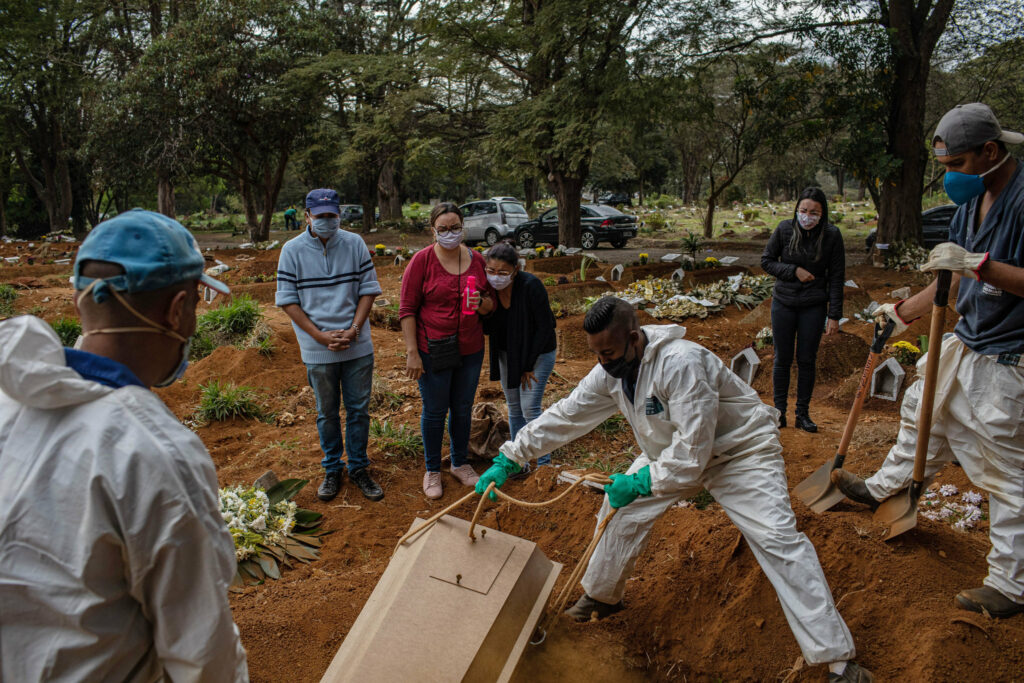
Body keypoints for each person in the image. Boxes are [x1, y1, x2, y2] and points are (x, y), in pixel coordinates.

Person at [476, 298, 873, 682]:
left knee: (776, 538)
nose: (602, 362)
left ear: (634, 338)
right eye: (597, 353)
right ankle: (602, 597)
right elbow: (568, 414)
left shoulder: (681, 362)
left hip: (740, 454)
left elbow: (694, 451)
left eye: (609, 352)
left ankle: (840, 662)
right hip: (671, 452)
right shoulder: (611, 370)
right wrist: (510, 457)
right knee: (618, 514)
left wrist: (642, 481)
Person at [0, 210, 248, 681]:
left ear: (80, 301)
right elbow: (202, 656)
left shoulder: (6, 398)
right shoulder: (152, 452)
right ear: (176, 311)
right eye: (195, 306)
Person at [831, 102, 1024, 619]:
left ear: (990, 151)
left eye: (956, 164)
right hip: (968, 337)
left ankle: (1011, 582)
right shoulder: (971, 202)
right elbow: (953, 278)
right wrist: (900, 314)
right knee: (922, 412)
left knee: (1004, 466)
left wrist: (981, 266)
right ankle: (883, 489)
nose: (949, 178)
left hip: (1011, 354)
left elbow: (975, 270)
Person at [276, 188, 384, 502]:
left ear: (338, 214)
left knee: (358, 411)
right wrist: (319, 336)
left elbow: (368, 290)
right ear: (306, 216)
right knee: (326, 413)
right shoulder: (291, 251)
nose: (327, 221)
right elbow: (288, 301)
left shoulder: (354, 244)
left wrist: (354, 329)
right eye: (320, 216)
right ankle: (332, 468)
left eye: (332, 216)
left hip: (357, 344)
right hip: (317, 348)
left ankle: (359, 468)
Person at [399, 202, 495, 499]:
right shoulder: (422, 261)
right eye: (443, 229)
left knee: (463, 407)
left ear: (462, 228)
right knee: (435, 409)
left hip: (470, 347)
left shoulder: (477, 260)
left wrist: (481, 303)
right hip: (433, 348)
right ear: (433, 231)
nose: (450, 233)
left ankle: (459, 462)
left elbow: (491, 303)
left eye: (455, 228)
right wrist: (412, 352)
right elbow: (407, 309)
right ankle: (431, 470)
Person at [761, 187, 845, 433]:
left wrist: (834, 315)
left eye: (814, 212)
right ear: (797, 210)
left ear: (822, 214)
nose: (808, 216)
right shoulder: (785, 229)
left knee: (807, 360)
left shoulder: (832, 235)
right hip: (783, 304)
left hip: (813, 306)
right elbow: (767, 261)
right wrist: (793, 270)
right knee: (782, 359)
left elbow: (837, 277)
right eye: (804, 211)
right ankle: (779, 413)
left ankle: (803, 414)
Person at [482, 241, 557, 471]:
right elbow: (489, 328)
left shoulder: (531, 285)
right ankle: (518, 461)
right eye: (491, 271)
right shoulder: (489, 292)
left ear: (515, 269)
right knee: (514, 407)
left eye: (503, 272)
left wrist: (527, 365)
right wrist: (481, 309)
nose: (496, 276)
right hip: (508, 354)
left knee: (530, 408)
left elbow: (546, 327)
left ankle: (544, 464)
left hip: (538, 352)